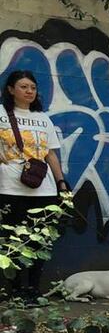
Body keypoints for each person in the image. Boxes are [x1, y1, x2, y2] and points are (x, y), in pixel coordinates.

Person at [0, 70, 70, 299]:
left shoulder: (43, 118)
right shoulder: (2, 115)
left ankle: (32, 289)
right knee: (13, 240)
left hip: (43, 188)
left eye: (33, 87)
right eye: (23, 87)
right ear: (10, 89)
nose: (29, 91)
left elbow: (50, 154)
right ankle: (14, 291)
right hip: (9, 187)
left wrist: (60, 182)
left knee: (40, 240)